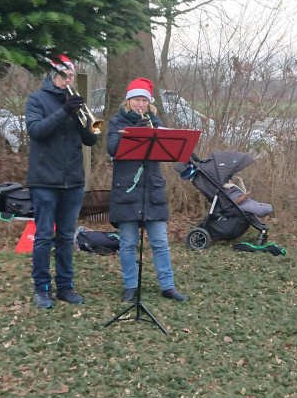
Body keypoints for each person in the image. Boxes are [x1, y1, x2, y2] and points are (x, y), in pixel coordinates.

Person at [24, 55, 99, 308]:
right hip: (44, 180)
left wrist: (84, 118)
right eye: (64, 75)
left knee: (67, 238)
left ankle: (65, 287)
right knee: (44, 237)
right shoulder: (36, 99)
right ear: (53, 76)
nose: (68, 80)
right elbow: (36, 131)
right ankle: (42, 288)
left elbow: (93, 138)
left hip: (73, 180)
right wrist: (64, 111)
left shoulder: (76, 100)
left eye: (72, 76)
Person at [107, 78, 188, 302]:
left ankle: (167, 286)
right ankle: (130, 286)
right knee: (128, 242)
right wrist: (133, 132)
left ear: (149, 103)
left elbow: (167, 151)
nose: (139, 104)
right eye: (135, 100)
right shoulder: (117, 122)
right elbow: (112, 148)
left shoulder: (156, 121)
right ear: (128, 101)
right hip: (127, 188)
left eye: (143, 100)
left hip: (152, 188)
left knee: (160, 241)